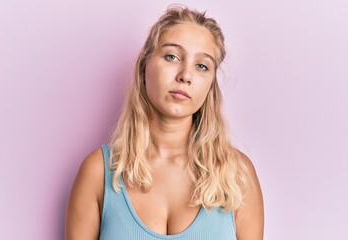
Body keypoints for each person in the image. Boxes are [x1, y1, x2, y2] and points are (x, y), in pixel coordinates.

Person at [65, 6, 264, 240]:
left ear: (210, 85)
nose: (185, 75)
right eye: (172, 56)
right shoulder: (98, 172)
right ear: (144, 67)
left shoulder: (238, 175)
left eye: (202, 65)